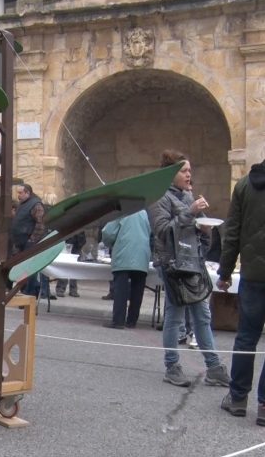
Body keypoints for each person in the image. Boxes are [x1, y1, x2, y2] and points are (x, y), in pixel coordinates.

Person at [149, 150, 229, 387]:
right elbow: (163, 231)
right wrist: (190, 212)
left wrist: (206, 231)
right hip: (172, 264)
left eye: (190, 170)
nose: (189, 174)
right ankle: (172, 366)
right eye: (184, 170)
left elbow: (200, 237)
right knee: (175, 315)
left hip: (193, 262)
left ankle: (213, 367)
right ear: (171, 173)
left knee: (202, 316)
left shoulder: (188, 196)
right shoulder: (159, 197)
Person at [217, 159, 265, 426]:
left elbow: (232, 232)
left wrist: (224, 273)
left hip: (253, 275)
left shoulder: (246, 185)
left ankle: (237, 398)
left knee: (246, 337)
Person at [100, 210, 152, 329]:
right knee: (137, 291)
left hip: (124, 255)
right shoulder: (144, 212)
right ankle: (132, 321)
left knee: (121, 291)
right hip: (142, 256)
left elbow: (108, 233)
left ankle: (118, 321)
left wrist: (109, 244)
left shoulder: (123, 211)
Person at [9, 184, 46, 296]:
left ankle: (29, 293)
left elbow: (41, 224)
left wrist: (32, 240)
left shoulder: (36, 205)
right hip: (20, 242)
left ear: (27, 193)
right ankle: (23, 291)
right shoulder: (22, 204)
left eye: (20, 193)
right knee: (22, 269)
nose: (18, 195)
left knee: (29, 270)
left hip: (29, 242)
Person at [55, 232, 85, 298]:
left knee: (75, 268)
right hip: (67, 241)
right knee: (64, 266)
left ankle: (73, 289)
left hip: (77, 243)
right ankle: (61, 288)